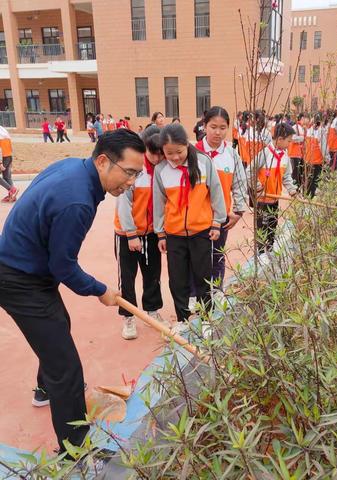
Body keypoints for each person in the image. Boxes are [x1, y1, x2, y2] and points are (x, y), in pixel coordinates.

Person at [0, 129, 146, 454]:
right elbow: (63, 266)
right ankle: (75, 451)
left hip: (26, 266)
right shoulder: (78, 201)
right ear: (104, 161)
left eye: (137, 174)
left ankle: (44, 387)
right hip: (19, 279)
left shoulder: (73, 168)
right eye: (129, 172)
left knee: (57, 326)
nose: (132, 182)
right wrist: (100, 290)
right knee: (66, 369)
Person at [153, 124, 226, 328]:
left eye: (179, 152)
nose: (175, 157)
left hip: (201, 231)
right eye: (169, 153)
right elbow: (159, 203)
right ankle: (182, 319)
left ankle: (206, 319)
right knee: (177, 279)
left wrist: (217, 221)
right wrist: (160, 234)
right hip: (174, 234)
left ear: (186, 144)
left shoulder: (204, 162)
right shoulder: (161, 170)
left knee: (203, 277)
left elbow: (216, 192)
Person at [114, 126, 166, 340]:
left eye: (161, 154)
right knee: (127, 277)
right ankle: (128, 316)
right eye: (153, 153)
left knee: (153, 274)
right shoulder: (134, 171)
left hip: (152, 233)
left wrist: (161, 232)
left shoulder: (163, 171)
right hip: (127, 233)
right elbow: (124, 203)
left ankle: (152, 310)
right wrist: (131, 234)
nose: (157, 158)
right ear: (145, 149)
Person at [195, 106, 248, 288]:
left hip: (221, 217)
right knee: (197, 257)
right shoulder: (193, 153)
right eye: (213, 126)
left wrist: (238, 211)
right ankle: (196, 295)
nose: (218, 132)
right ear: (204, 126)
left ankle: (216, 290)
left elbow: (239, 183)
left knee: (217, 255)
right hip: (196, 218)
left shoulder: (231, 154)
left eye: (223, 127)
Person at [247, 122, 297, 254]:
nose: (289, 144)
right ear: (279, 139)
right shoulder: (264, 154)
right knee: (262, 230)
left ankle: (269, 253)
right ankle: (260, 255)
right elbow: (249, 171)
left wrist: (292, 191)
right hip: (263, 200)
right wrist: (258, 188)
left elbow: (286, 177)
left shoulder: (285, 156)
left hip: (275, 200)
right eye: (288, 141)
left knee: (272, 229)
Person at [304, 114, 324, 197]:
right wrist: (326, 158)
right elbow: (323, 147)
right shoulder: (321, 132)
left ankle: (306, 194)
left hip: (308, 159)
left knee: (309, 178)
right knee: (315, 179)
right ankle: (311, 195)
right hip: (317, 160)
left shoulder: (309, 131)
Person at [288, 113, 307, 187]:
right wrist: (303, 138)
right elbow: (292, 138)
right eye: (304, 119)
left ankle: (298, 188)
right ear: (301, 119)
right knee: (296, 172)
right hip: (294, 153)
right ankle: (294, 188)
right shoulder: (295, 127)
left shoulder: (302, 128)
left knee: (300, 173)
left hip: (300, 154)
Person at [0, 126, 18, 202]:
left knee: (6, 177)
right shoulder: (3, 130)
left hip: (3, 157)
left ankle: (11, 189)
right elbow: (10, 145)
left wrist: (0, 163)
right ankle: (12, 195)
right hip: (8, 156)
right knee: (7, 177)